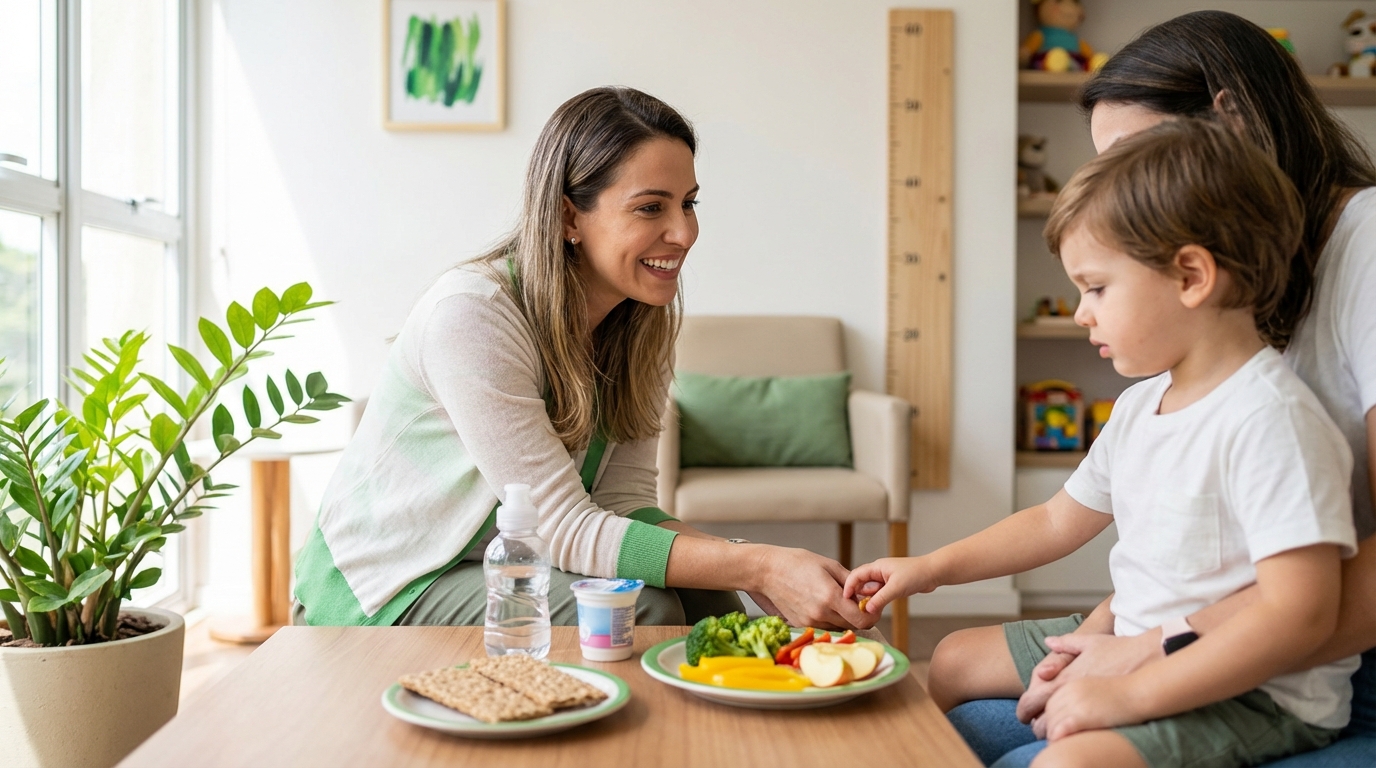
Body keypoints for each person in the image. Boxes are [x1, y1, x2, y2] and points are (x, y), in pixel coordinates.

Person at [847, 118, 1361, 768]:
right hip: (1136, 632)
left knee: (1070, 762)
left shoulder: (1273, 421)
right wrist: (927, 570)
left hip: (1258, 693)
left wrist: (1130, 694)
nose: (1080, 312)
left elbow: (1301, 617)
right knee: (950, 659)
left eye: (1095, 287)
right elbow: (1057, 519)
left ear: (1191, 276)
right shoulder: (1141, 403)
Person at [292, 87, 872, 632]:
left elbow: (621, 504)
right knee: (642, 608)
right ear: (570, 217)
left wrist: (741, 565)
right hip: (394, 583)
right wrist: (760, 566)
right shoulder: (474, 314)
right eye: (650, 207)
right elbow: (563, 529)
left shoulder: (639, 324)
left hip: (497, 561)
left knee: (710, 603)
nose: (683, 232)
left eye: (688, 204)